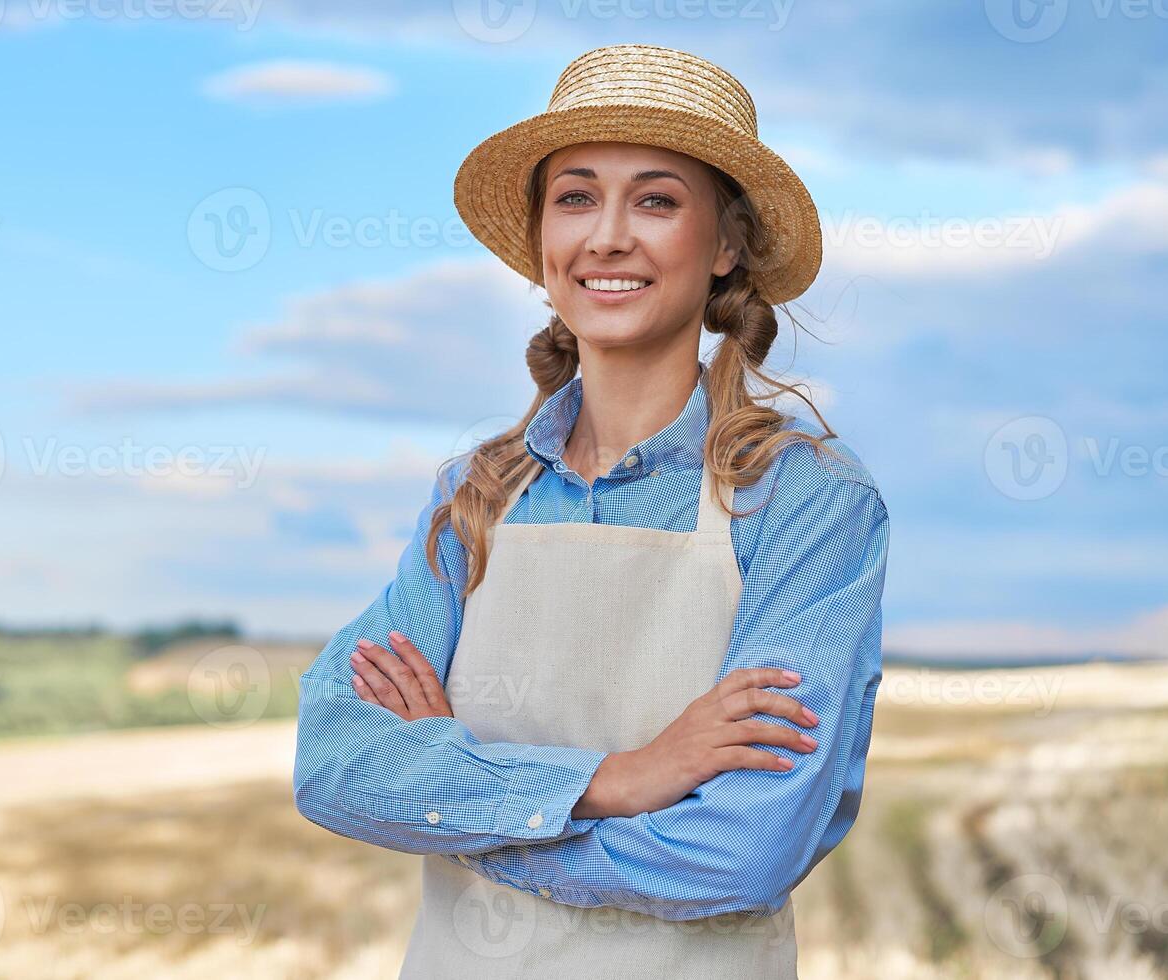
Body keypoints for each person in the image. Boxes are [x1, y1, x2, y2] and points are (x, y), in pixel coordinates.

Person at [291, 43, 889, 979]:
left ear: (726, 244)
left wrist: (463, 812)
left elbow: (745, 848)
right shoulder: (475, 496)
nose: (607, 237)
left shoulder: (804, 499)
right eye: (575, 197)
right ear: (542, 242)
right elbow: (335, 763)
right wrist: (621, 779)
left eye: (656, 200)